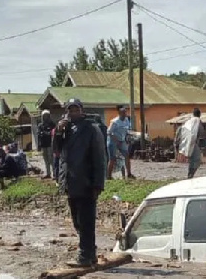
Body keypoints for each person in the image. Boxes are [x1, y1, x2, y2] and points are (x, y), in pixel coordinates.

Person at [54, 98, 106, 266]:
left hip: (86, 182)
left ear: (82, 110)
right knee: (77, 221)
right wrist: (59, 132)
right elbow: (57, 151)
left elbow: (100, 158)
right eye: (70, 110)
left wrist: (98, 183)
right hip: (70, 181)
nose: (73, 113)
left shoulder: (92, 129)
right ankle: (90, 253)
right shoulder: (66, 129)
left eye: (76, 109)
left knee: (86, 221)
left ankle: (85, 256)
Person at [174, 108, 205, 179]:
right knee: (197, 160)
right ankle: (191, 175)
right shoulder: (198, 121)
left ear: (193, 114)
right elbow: (201, 132)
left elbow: (181, 131)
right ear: (199, 114)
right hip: (193, 142)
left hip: (185, 142)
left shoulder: (188, 121)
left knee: (192, 160)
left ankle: (190, 174)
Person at [107, 105, 134, 180]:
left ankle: (129, 174)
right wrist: (116, 141)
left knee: (127, 155)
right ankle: (109, 176)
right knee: (112, 158)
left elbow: (127, 130)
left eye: (125, 112)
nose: (125, 113)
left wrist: (128, 137)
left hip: (122, 141)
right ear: (119, 113)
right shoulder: (115, 122)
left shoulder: (127, 120)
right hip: (113, 141)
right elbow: (109, 132)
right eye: (123, 112)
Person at [37, 110, 56, 179]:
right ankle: (48, 173)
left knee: (51, 159)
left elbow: (52, 133)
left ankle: (54, 174)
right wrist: (39, 145)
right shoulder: (40, 125)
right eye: (44, 116)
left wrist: (45, 133)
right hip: (43, 144)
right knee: (45, 159)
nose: (46, 117)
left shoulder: (52, 124)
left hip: (50, 144)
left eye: (47, 115)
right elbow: (39, 134)